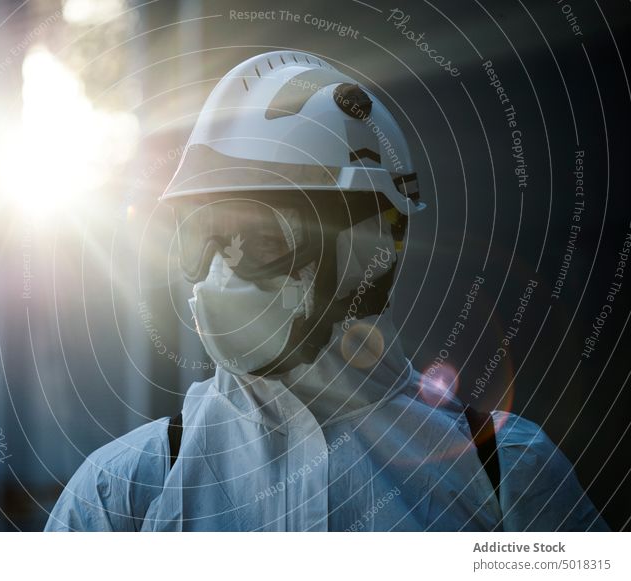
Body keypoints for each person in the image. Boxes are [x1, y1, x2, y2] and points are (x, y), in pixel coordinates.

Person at [45, 51, 608, 531]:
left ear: (370, 245)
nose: (222, 271)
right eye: (204, 237)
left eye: (264, 236)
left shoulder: (507, 473)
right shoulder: (122, 493)